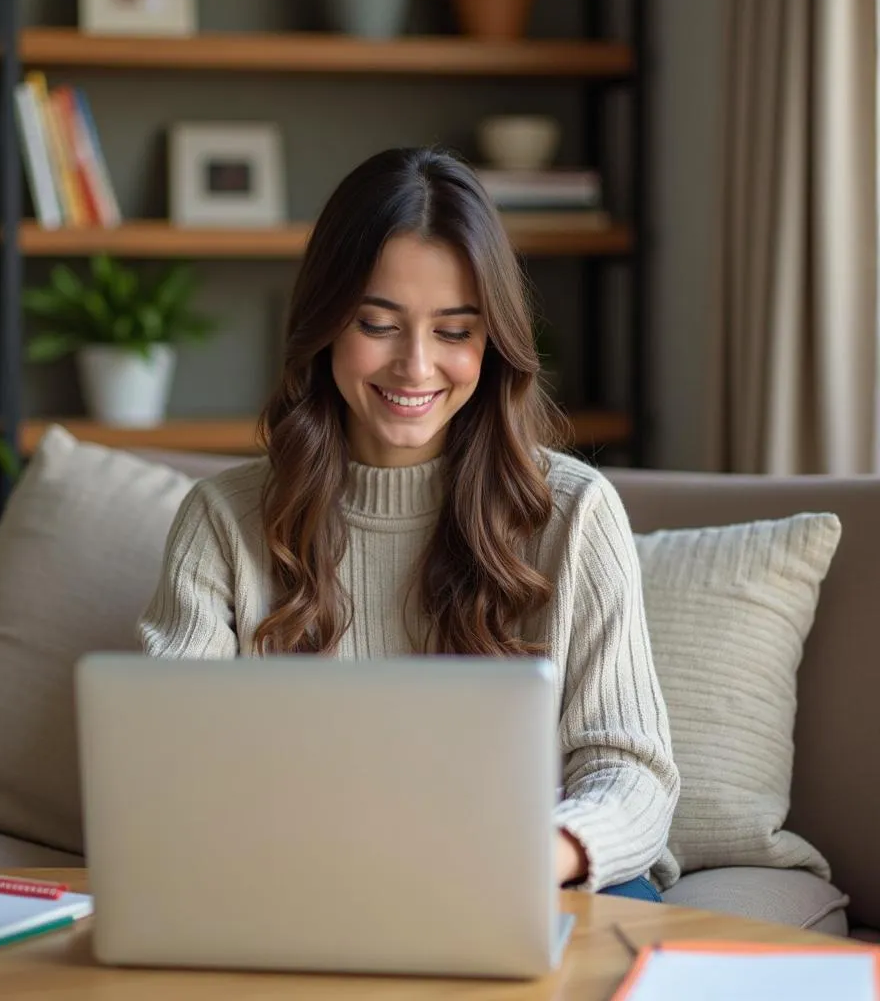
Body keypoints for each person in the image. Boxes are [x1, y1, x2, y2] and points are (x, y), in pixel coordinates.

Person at [138, 146, 680, 900]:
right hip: (301, 881)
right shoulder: (223, 521)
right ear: (326, 324)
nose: (416, 367)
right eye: (378, 324)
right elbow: (168, 760)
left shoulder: (574, 511)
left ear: (492, 345)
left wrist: (533, 856)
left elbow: (629, 769)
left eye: (455, 331)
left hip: (530, 882)